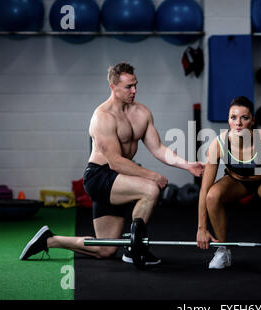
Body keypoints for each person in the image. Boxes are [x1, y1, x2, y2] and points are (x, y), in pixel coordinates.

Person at [20, 62, 204, 265]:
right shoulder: (102, 117)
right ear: (113, 87)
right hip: (100, 176)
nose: (134, 91)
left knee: (105, 249)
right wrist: (153, 176)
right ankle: (135, 247)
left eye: (135, 85)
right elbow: (115, 162)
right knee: (150, 190)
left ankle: (50, 240)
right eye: (128, 87)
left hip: (119, 178)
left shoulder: (142, 113)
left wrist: (187, 165)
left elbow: (158, 148)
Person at [196, 96, 261, 271]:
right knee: (212, 196)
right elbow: (204, 188)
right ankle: (223, 250)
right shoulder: (219, 144)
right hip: (237, 181)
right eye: (233, 117)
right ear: (228, 120)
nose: (238, 123)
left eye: (244, 118)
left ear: (252, 120)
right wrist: (201, 228)